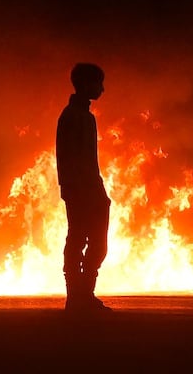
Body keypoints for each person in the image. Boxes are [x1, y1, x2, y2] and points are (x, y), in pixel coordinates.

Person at [56, 63, 112, 312]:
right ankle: (79, 295)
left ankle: (81, 294)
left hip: (86, 188)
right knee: (80, 239)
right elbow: (70, 158)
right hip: (82, 190)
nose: (101, 88)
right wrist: (75, 188)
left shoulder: (82, 116)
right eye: (98, 83)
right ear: (86, 84)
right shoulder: (73, 117)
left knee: (88, 241)